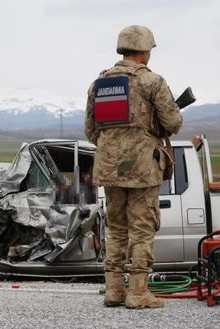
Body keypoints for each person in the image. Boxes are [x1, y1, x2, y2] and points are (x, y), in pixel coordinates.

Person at [84, 25, 182, 309]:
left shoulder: (99, 84)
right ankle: (138, 293)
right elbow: (173, 123)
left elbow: (91, 131)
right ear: (144, 50)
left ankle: (113, 291)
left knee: (115, 229)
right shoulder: (152, 81)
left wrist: (116, 143)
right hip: (142, 169)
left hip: (109, 168)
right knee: (141, 229)